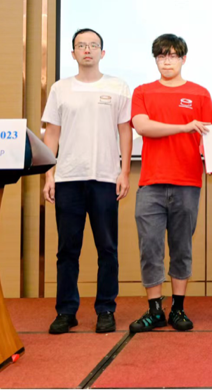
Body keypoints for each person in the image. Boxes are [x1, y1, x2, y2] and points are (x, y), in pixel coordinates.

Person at [42, 28, 132, 335]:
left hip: (106, 178)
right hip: (68, 178)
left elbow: (125, 131)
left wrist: (124, 172)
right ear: (73, 53)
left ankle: (106, 308)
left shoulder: (118, 87)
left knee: (107, 248)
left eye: (93, 45)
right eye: (81, 45)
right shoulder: (60, 88)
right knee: (68, 249)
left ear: (102, 53)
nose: (88, 50)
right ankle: (66, 311)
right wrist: (49, 174)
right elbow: (51, 133)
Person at [128, 33, 212, 333]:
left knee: (181, 247)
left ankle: (178, 308)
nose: (167, 61)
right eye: (161, 56)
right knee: (150, 246)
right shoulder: (143, 91)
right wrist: (184, 126)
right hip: (150, 182)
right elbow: (142, 126)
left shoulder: (200, 94)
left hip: (187, 181)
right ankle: (155, 310)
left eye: (173, 55)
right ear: (156, 59)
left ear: (183, 59)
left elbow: (210, 140)